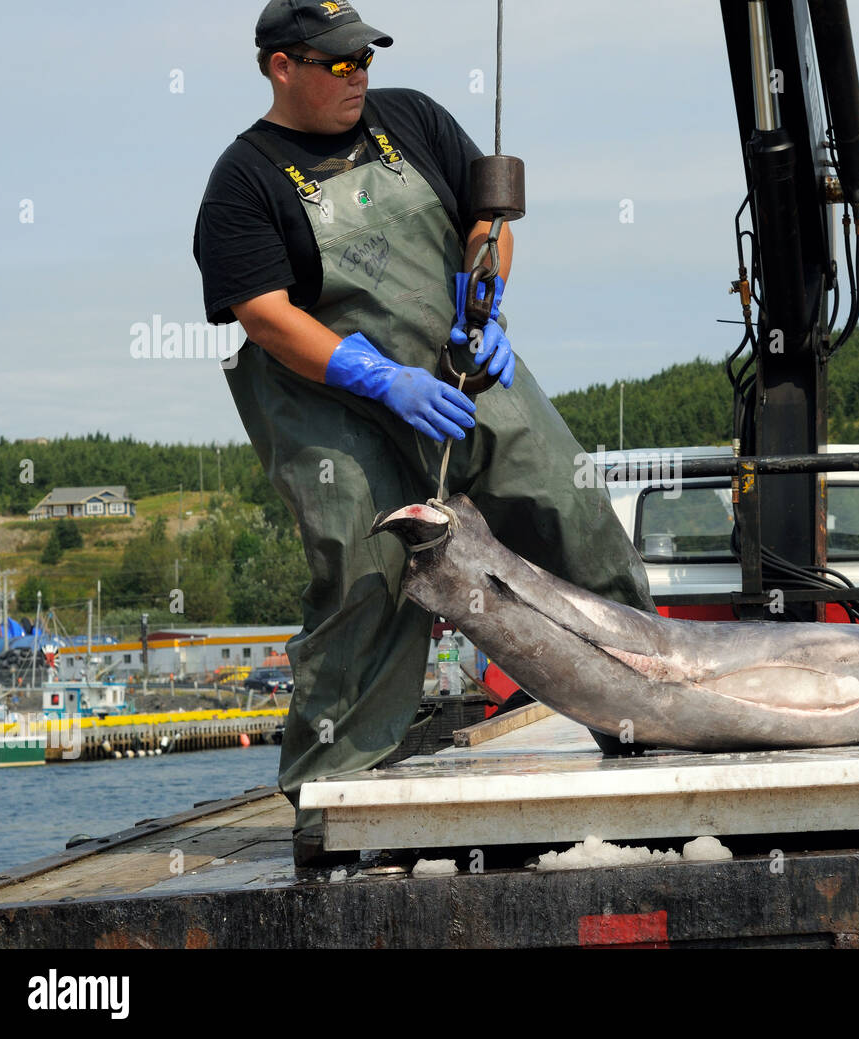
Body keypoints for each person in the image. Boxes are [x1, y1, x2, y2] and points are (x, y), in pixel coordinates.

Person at [193, 0, 654, 866]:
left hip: (454, 364)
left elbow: (489, 221)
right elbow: (263, 314)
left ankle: (651, 718)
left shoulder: (412, 118)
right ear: (278, 67)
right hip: (328, 395)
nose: (354, 74)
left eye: (361, 57)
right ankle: (336, 791)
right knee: (369, 565)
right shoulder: (243, 180)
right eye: (334, 63)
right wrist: (374, 376)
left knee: (567, 504)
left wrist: (484, 300)